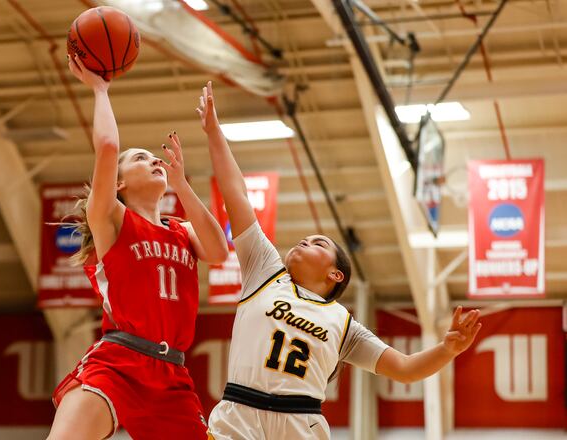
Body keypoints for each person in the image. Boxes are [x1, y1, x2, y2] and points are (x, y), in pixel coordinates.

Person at [197, 81, 482, 440]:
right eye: (306, 238)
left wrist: (447, 349)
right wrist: (213, 133)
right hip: (239, 413)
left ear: (335, 273)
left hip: (301, 422)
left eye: (318, 243)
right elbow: (235, 192)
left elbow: (406, 369)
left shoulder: (342, 323)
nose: (304, 240)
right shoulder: (265, 271)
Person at [47, 57, 229, 440]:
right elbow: (109, 146)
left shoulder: (181, 230)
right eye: (140, 158)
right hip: (118, 364)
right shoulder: (111, 219)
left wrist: (183, 186)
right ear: (118, 185)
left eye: (154, 156)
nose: (154, 160)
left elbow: (218, 251)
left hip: (171, 374)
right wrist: (100, 89)